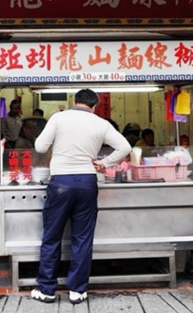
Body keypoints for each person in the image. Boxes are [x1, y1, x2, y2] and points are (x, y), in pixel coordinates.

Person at [31, 89, 131, 305]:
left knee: (51, 236)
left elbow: (39, 146)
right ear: (94, 106)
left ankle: (47, 289)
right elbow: (125, 147)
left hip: (60, 183)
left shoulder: (59, 118)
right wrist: (104, 163)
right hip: (87, 182)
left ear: (74, 101)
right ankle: (77, 291)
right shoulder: (101, 123)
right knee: (82, 238)